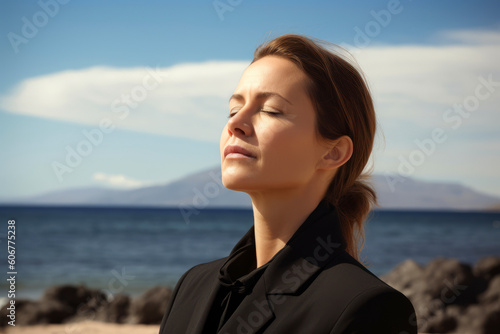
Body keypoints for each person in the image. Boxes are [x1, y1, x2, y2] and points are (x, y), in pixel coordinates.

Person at [159, 34, 418, 334]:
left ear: (333, 152)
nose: (235, 123)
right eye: (233, 109)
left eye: (270, 110)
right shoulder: (192, 286)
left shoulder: (369, 308)